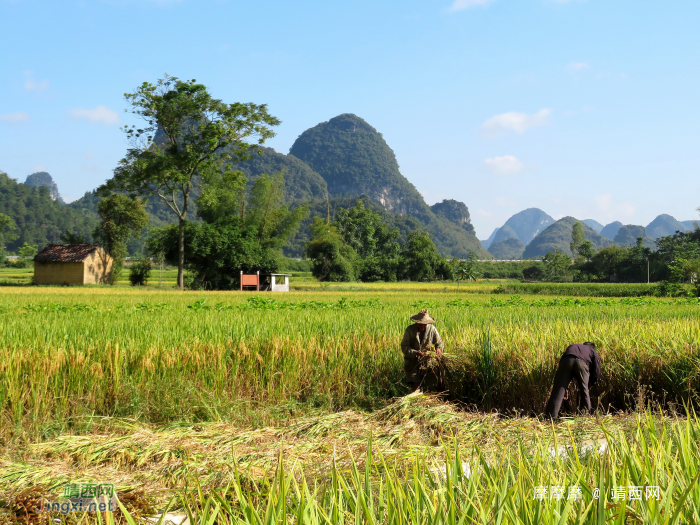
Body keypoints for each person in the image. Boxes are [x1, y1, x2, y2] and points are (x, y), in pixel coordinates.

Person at [545, 342, 602, 419]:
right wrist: (590, 383)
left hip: (566, 361)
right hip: (581, 364)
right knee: (584, 391)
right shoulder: (592, 351)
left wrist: (564, 388)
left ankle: (550, 418)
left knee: (558, 390)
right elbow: (596, 371)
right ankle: (586, 417)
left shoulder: (574, 346)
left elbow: (563, 363)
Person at [401, 309, 443, 392]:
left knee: (436, 383)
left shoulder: (432, 329)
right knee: (416, 385)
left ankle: (435, 401)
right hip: (413, 363)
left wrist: (438, 348)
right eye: (420, 324)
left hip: (428, 362)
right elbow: (404, 347)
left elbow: (439, 342)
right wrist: (416, 353)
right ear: (417, 322)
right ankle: (415, 401)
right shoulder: (410, 330)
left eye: (424, 324)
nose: (422, 326)